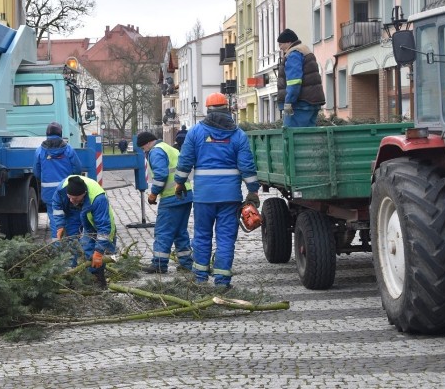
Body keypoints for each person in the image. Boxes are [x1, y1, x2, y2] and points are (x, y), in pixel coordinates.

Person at [174, 93, 260, 289]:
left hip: (204, 196)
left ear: (208, 110)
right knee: (226, 238)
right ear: (227, 109)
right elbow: (247, 166)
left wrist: (179, 182)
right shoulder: (238, 135)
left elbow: (185, 160)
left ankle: (200, 278)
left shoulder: (195, 132)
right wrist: (253, 191)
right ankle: (222, 281)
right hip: (230, 196)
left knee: (202, 235)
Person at [136, 131, 193, 274]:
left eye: (144, 148)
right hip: (186, 194)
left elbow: (161, 175)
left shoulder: (156, 152)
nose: (145, 151)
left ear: (148, 143)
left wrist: (153, 194)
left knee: (163, 231)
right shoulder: (169, 148)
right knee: (180, 231)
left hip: (171, 197)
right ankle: (186, 263)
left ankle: (159, 264)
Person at [51, 175, 117, 288]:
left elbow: (104, 228)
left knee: (92, 248)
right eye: (69, 197)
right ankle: (69, 276)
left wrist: (99, 251)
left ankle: (96, 278)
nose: (71, 200)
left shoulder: (98, 199)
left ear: (84, 193)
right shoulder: (62, 189)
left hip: (93, 217)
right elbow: (57, 206)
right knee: (71, 242)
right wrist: (60, 225)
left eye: (75, 198)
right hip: (74, 213)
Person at [33, 121, 83, 239]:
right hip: (68, 191)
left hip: (49, 193)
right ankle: (73, 246)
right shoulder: (68, 149)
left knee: (55, 220)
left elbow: (36, 172)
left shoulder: (40, 151)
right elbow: (78, 169)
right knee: (72, 219)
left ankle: (58, 248)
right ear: (60, 134)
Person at [276, 28, 325, 128]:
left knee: (292, 137)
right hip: (311, 102)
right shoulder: (305, 51)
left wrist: (288, 102)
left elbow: (294, 82)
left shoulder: (294, 54)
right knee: (307, 138)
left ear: (289, 42)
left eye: (281, 44)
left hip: (300, 104)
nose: (280, 48)